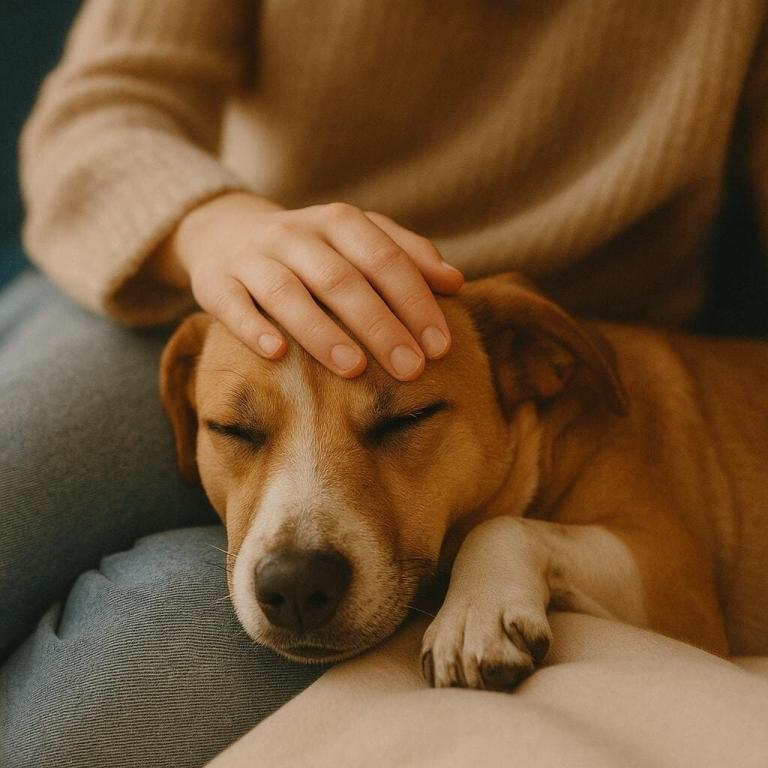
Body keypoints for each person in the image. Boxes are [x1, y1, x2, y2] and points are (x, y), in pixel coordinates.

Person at [2, 1, 768, 766]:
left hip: (493, 326)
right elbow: (99, 108)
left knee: (147, 634)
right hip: (214, 285)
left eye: (395, 426)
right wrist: (222, 232)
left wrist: (513, 548)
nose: (299, 537)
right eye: (238, 435)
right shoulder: (203, 354)